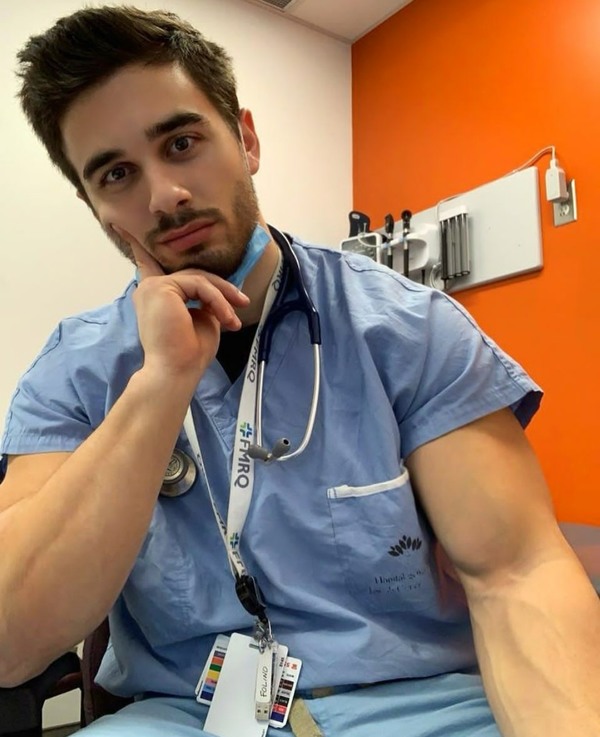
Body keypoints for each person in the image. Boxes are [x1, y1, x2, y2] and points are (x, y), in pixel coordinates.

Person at [0, 6, 598, 737]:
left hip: (421, 705)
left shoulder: (410, 329)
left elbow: (517, 575)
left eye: (182, 143)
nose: (164, 196)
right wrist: (159, 385)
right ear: (95, 206)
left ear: (246, 139)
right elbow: (12, 641)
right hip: (189, 717)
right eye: (117, 174)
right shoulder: (73, 371)